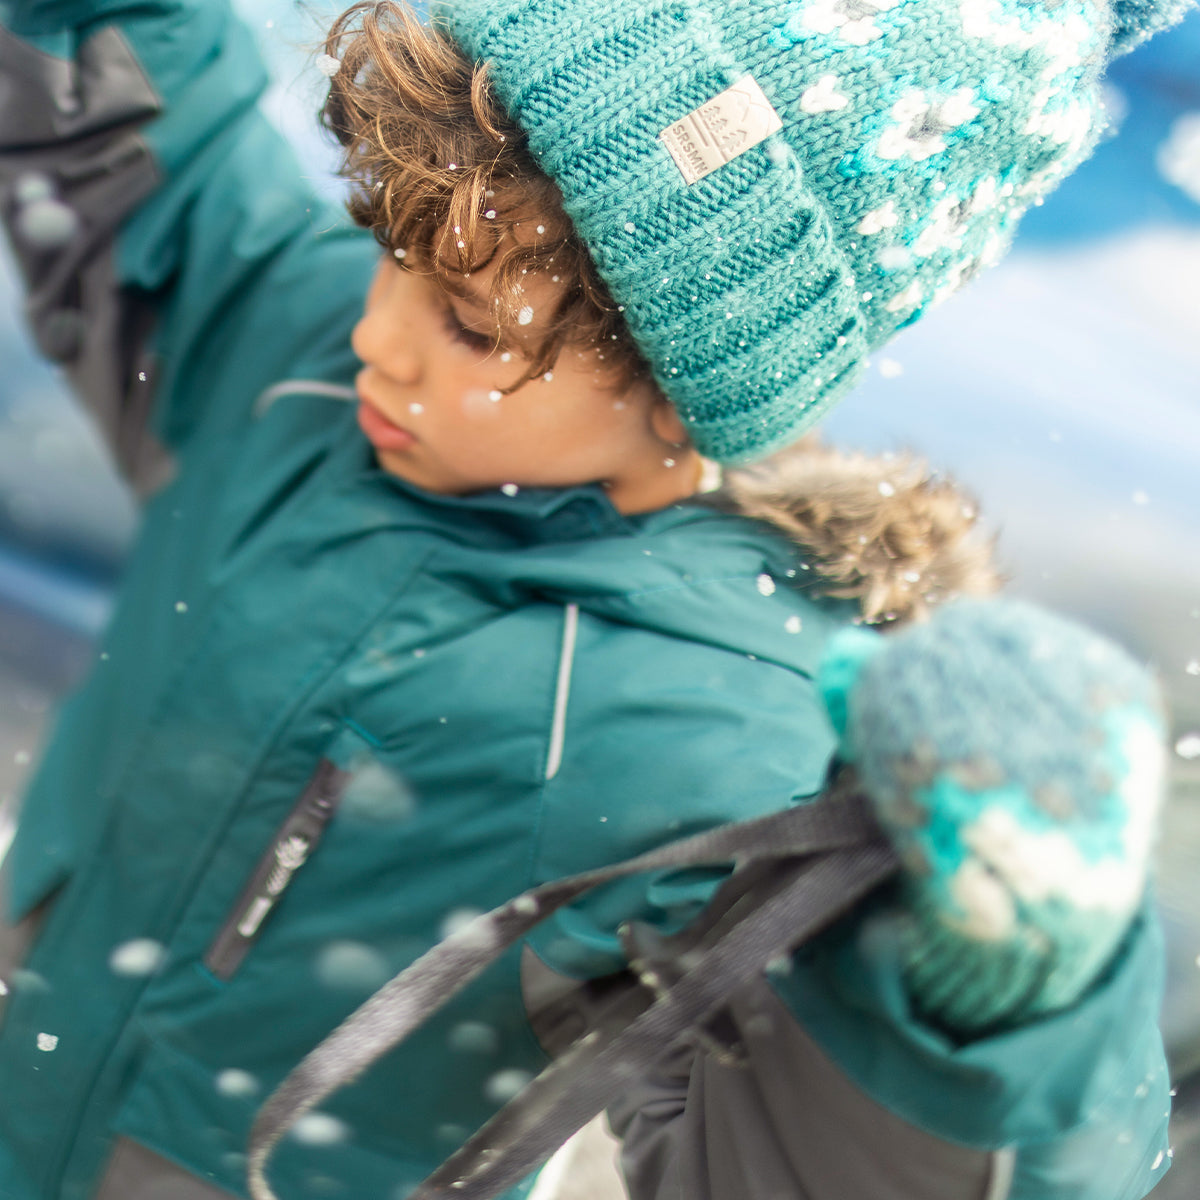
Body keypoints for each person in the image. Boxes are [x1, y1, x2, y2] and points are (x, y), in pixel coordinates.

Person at [0, 0, 1188, 1198]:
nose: (377, 336)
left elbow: (784, 1166)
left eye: (468, 323)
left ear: (684, 389)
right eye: (387, 251)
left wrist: (989, 1004)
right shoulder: (285, 366)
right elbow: (121, 129)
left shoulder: (705, 732)